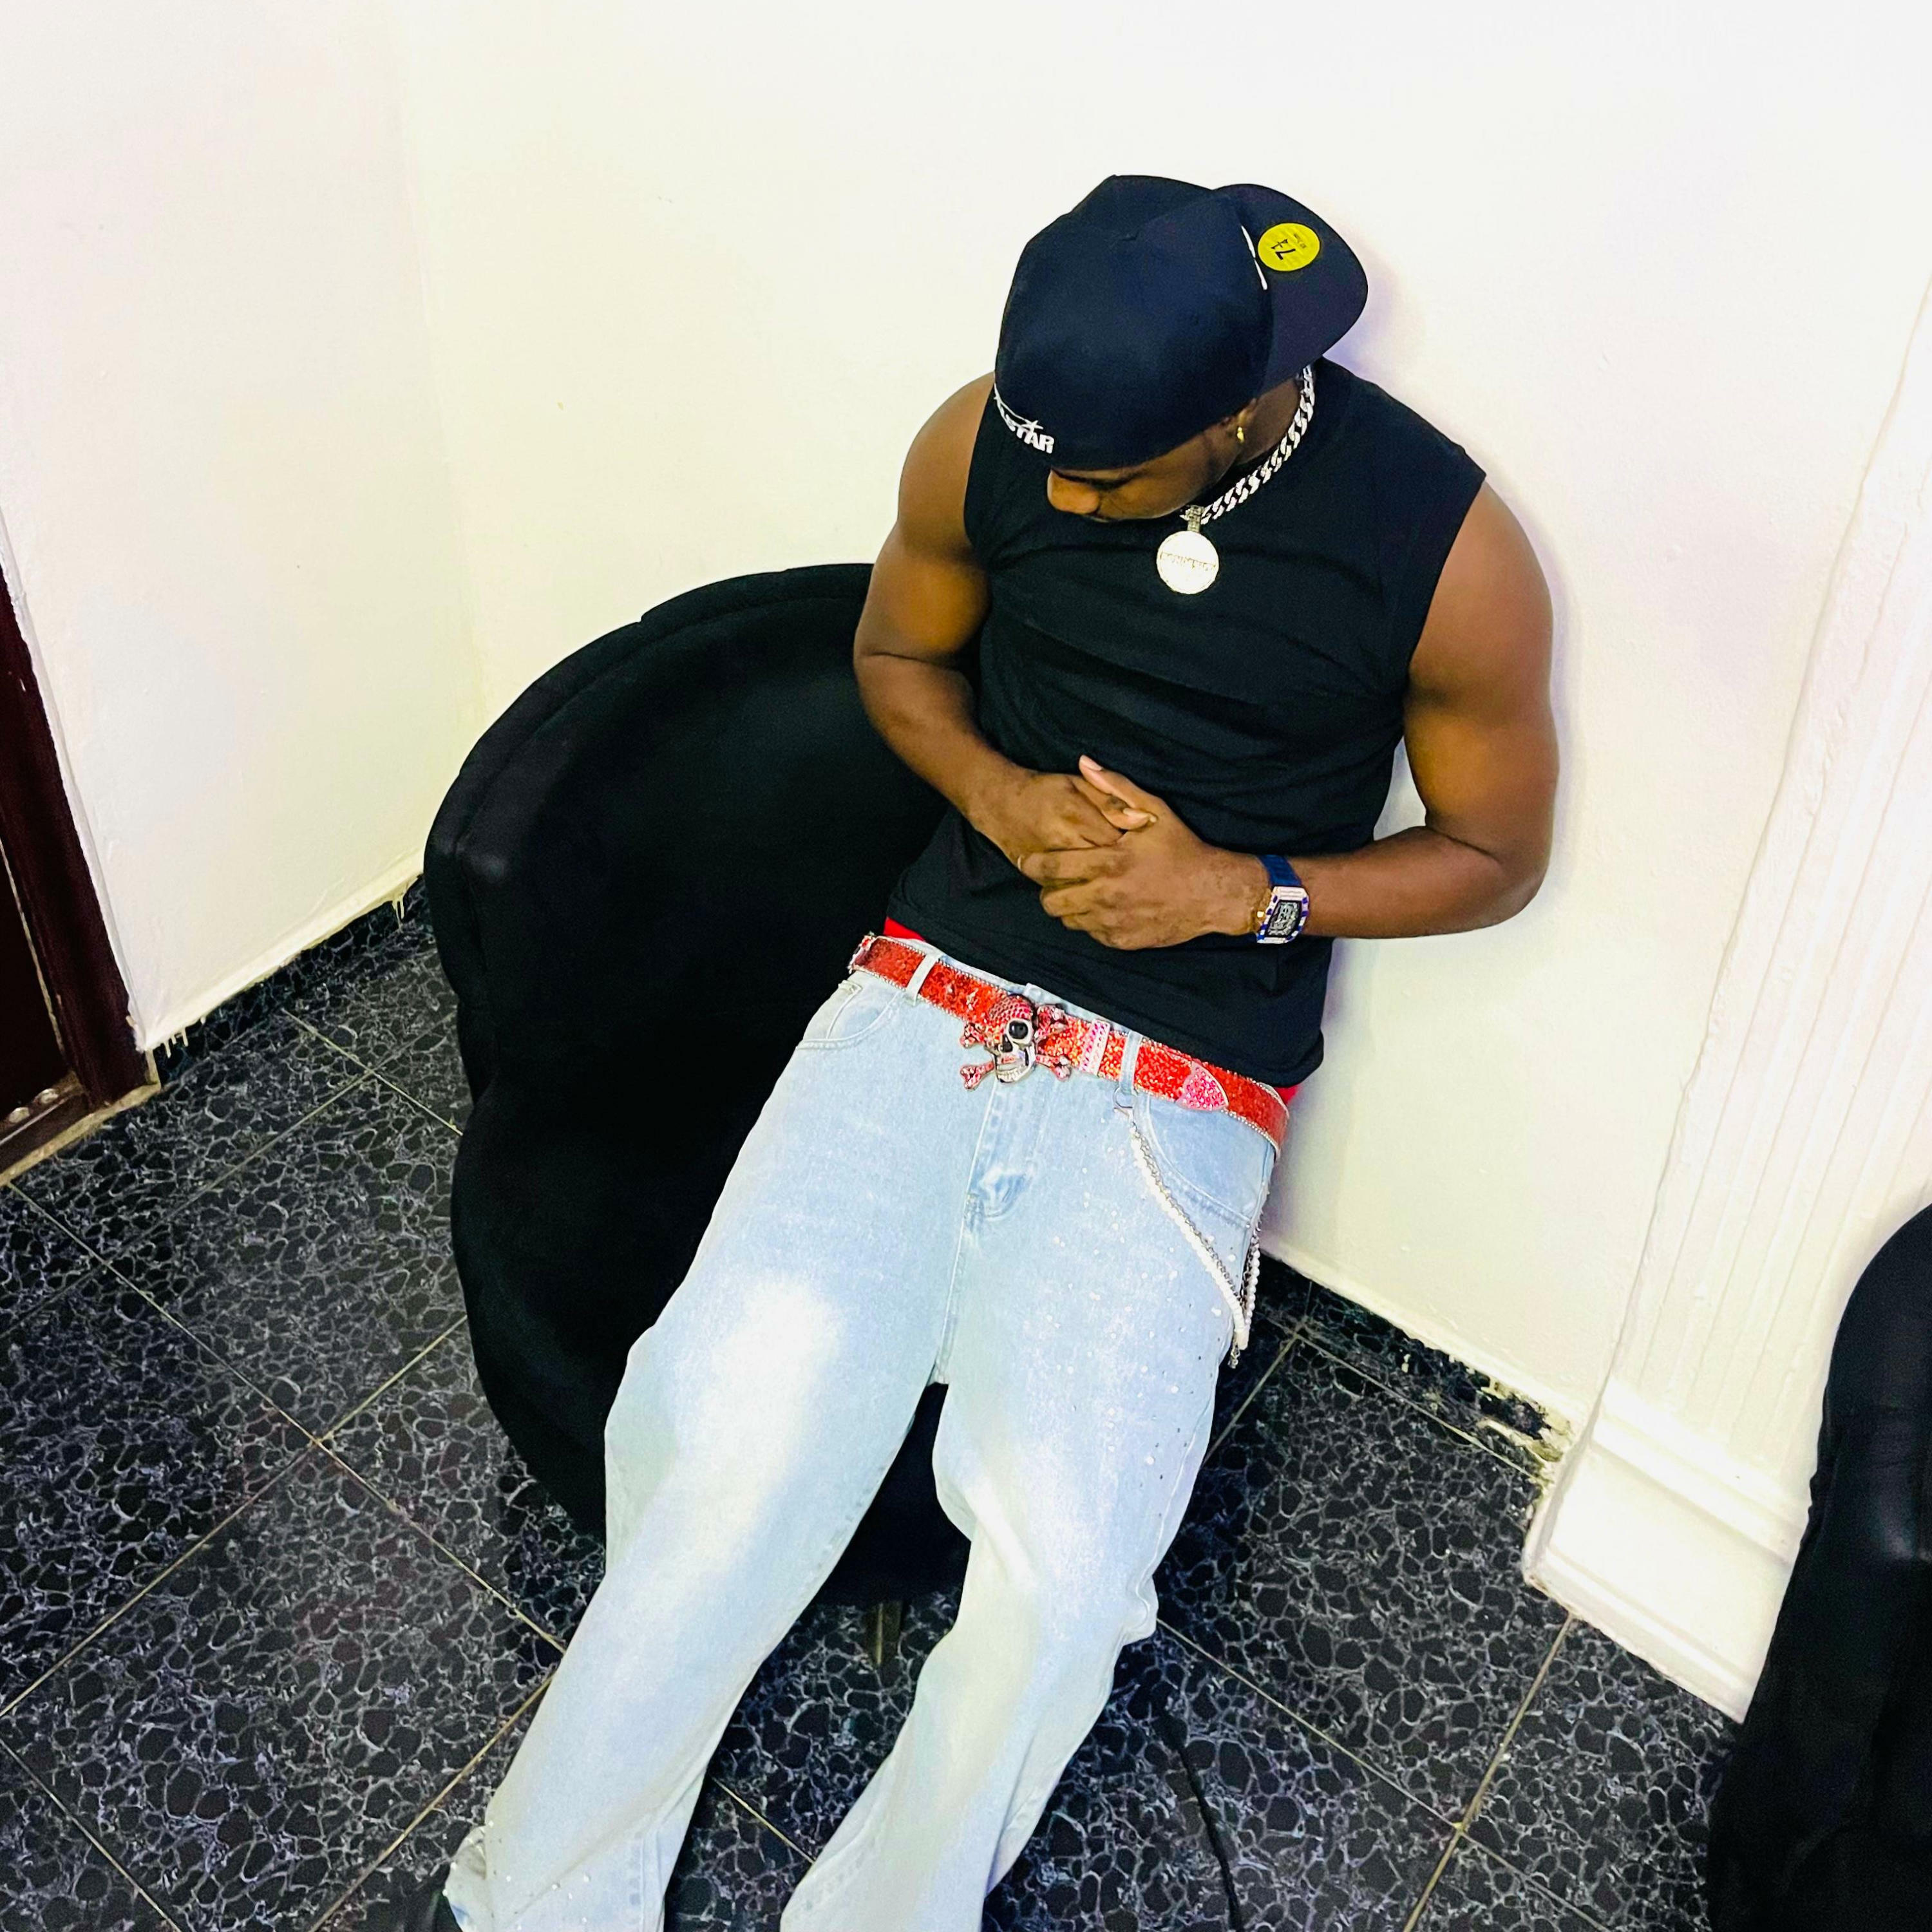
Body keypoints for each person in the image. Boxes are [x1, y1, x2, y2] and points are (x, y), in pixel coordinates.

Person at [374, 173, 1556, 1932]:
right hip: (937, 990)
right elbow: (895, 653)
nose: (1061, 496)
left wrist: (1239, 892)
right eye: (1040, 451)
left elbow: (1495, 856)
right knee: (719, 1441)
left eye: (1108, 478)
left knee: (1069, 1577)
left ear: (1241, 410)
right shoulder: (985, 439)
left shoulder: (1445, 551)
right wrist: (1000, 797)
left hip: (1180, 1070)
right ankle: (528, 1903)